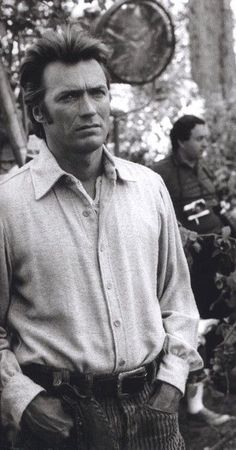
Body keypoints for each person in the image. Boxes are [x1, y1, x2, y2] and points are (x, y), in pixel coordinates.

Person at [0, 27, 202, 450]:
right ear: (40, 112)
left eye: (98, 92)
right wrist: (22, 398)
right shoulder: (8, 204)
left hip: (155, 413)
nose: (89, 108)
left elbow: (177, 298)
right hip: (61, 422)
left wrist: (172, 382)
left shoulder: (148, 188)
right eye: (69, 97)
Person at [154, 115, 232, 426]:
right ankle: (189, 405)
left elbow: (214, 211)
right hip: (188, 271)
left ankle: (198, 394)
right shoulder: (160, 175)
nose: (205, 144)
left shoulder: (204, 168)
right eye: (199, 139)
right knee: (191, 332)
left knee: (216, 328)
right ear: (180, 141)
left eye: (205, 138)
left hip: (217, 268)